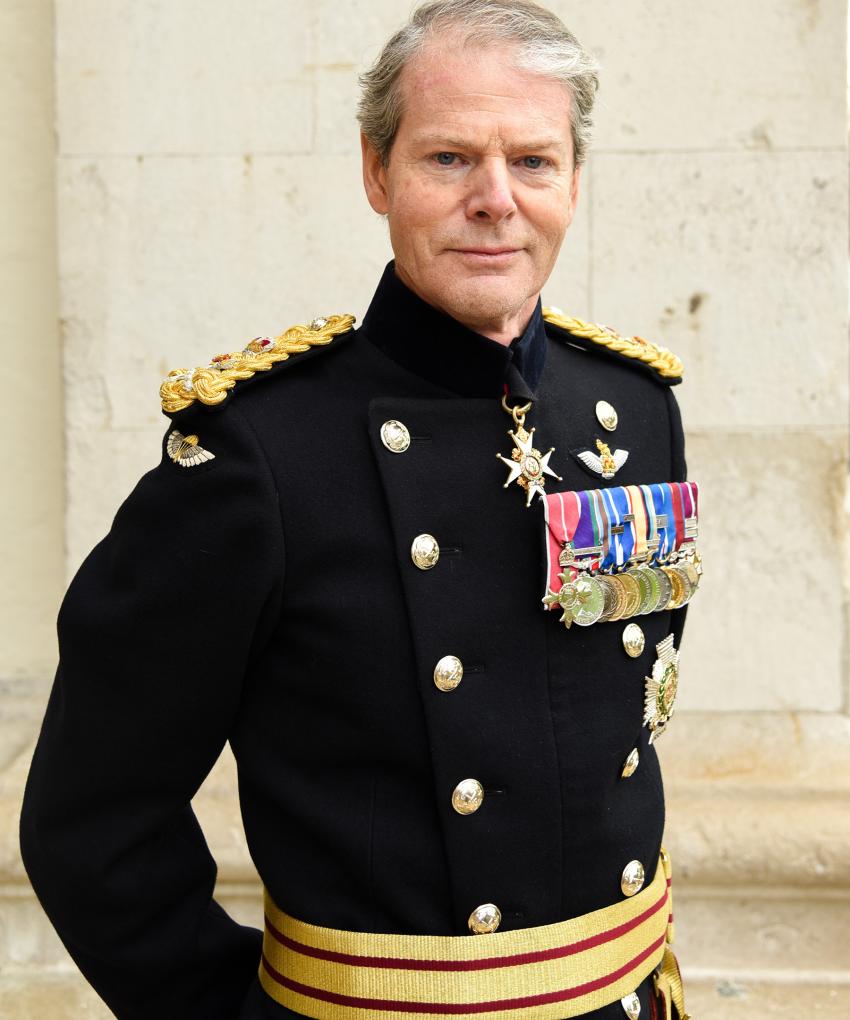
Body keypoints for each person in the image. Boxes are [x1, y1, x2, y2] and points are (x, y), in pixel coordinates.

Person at [20, 2, 698, 1018]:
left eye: (534, 161)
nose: (495, 201)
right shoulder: (258, 455)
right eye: (448, 159)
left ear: (573, 179)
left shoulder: (634, 410)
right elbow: (93, 821)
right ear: (376, 172)